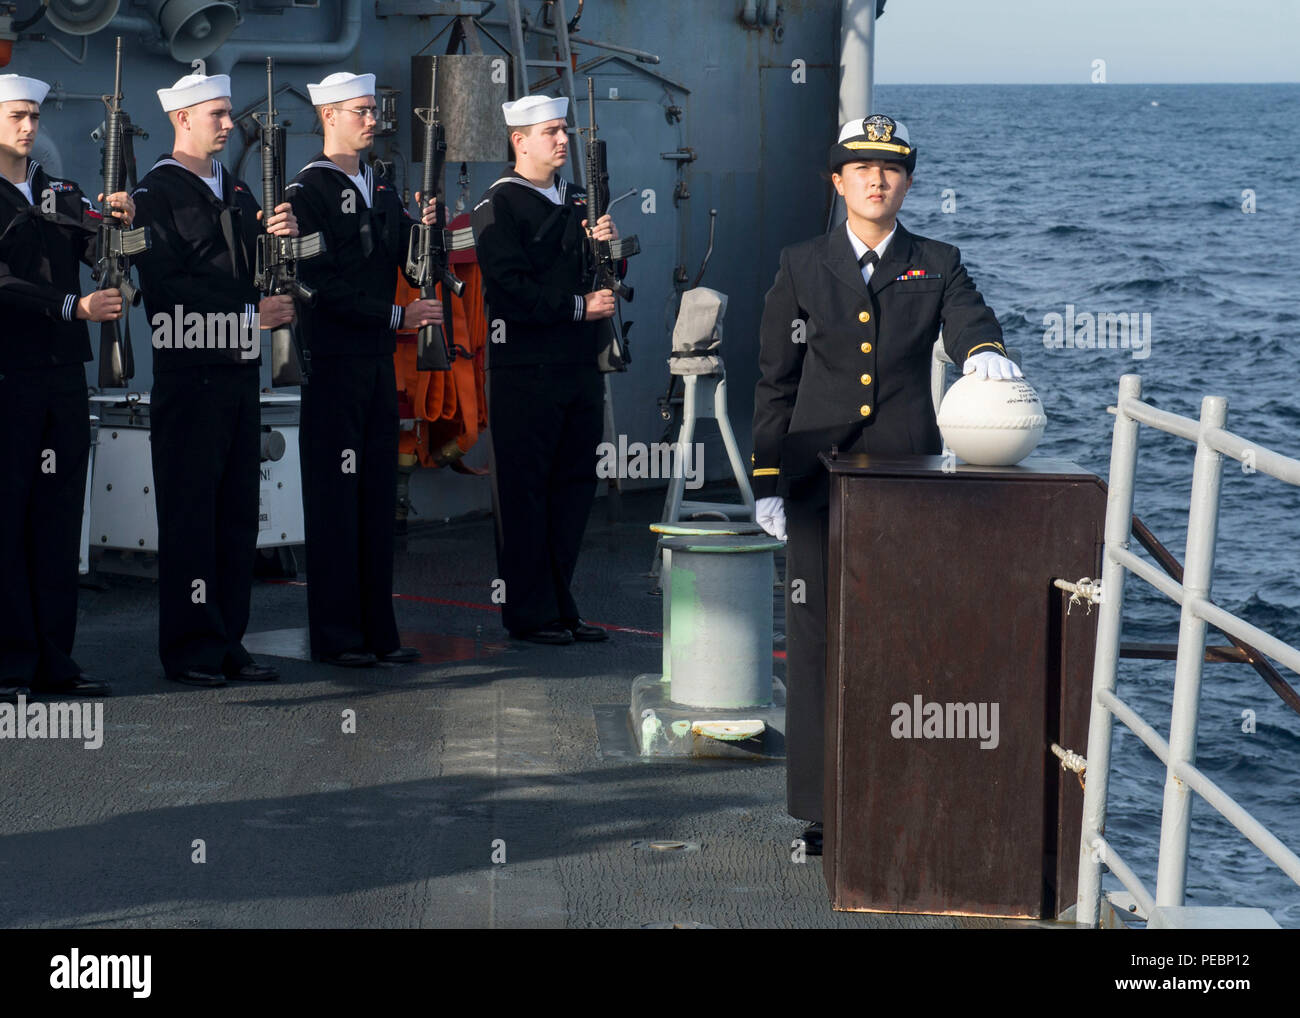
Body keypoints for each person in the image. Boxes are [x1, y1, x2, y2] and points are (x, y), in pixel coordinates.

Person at [751, 115, 1020, 853]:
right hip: (815, 484)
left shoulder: (937, 261)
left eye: (891, 169)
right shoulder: (801, 265)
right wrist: (768, 480)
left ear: (907, 182)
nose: (877, 178)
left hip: (905, 481)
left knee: (905, 643)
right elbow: (776, 382)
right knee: (816, 646)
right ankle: (822, 813)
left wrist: (984, 353)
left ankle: (899, 797)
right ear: (838, 182)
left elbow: (969, 319)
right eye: (862, 168)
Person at [132, 72, 297, 686]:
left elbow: (254, 271)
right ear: (183, 119)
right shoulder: (155, 196)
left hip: (237, 379)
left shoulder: (237, 190)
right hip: (190, 376)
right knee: (190, 519)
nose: (230, 124)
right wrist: (251, 318)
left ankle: (229, 638)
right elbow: (169, 295)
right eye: (218, 115)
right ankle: (191, 647)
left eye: (229, 114)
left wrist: (280, 245)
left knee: (235, 517)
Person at [287, 71, 439, 667]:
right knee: (334, 501)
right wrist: (395, 314)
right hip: (333, 363)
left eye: (373, 110)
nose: (372, 119)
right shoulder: (308, 193)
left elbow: (407, 254)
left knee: (377, 499)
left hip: (376, 364)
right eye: (360, 110)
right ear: (328, 116)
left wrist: (425, 228)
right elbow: (318, 287)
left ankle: (380, 630)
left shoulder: (381, 188)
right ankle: (337, 635)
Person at [470, 94, 621, 646]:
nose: (563, 140)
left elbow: (606, 270)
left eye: (564, 131)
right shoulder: (500, 204)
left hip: (578, 365)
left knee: (574, 487)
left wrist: (610, 250)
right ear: (520, 140)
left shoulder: (579, 198)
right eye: (552, 131)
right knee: (525, 493)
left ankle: (562, 604)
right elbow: (509, 289)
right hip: (525, 367)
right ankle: (528, 613)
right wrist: (578, 308)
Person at [0, 73, 130, 702]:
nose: (29, 127)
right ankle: (10, 665)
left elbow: (106, 247)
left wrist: (123, 222)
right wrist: (70, 307)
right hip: (8, 377)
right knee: (7, 522)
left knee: (56, 520)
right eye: (16, 116)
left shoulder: (61, 192)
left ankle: (57, 660)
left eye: (34, 116)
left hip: (61, 379)